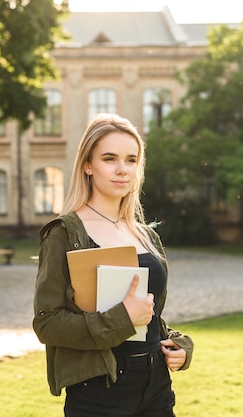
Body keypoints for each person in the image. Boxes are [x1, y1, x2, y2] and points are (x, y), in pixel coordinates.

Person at [32, 114, 193, 417]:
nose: (122, 170)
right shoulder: (65, 233)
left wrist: (179, 346)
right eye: (110, 158)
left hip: (156, 389)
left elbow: (150, 316)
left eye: (131, 160)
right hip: (99, 394)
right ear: (88, 166)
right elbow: (47, 324)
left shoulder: (146, 235)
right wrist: (122, 319)